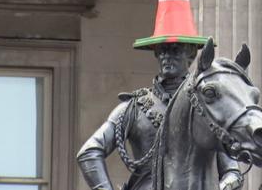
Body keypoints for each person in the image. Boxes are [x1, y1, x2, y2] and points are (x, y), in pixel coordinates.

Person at [77, 42, 243, 190]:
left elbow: (232, 172)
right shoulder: (134, 108)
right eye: (162, 51)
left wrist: (224, 186)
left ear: (191, 54)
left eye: (175, 50)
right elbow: (89, 152)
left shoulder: (206, 109)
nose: (166, 57)